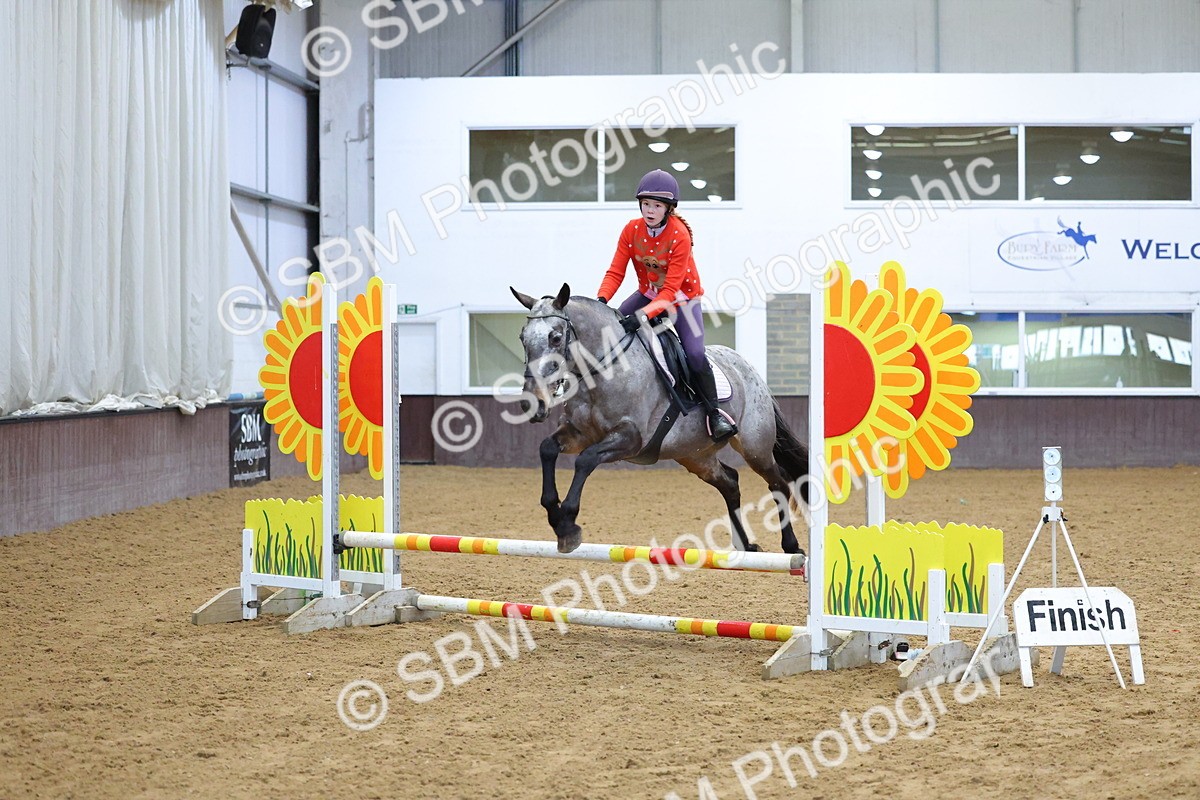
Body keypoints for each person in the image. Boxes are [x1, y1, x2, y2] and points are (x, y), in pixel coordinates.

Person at [596, 168, 737, 443]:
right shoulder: (631, 230)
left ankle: (714, 412)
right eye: (646, 204)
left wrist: (642, 316)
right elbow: (615, 272)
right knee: (608, 331)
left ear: (668, 208)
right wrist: (602, 301)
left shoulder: (679, 235)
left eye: (657, 205)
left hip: (682, 300)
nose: (649, 210)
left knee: (695, 354)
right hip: (648, 294)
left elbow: (670, 291)